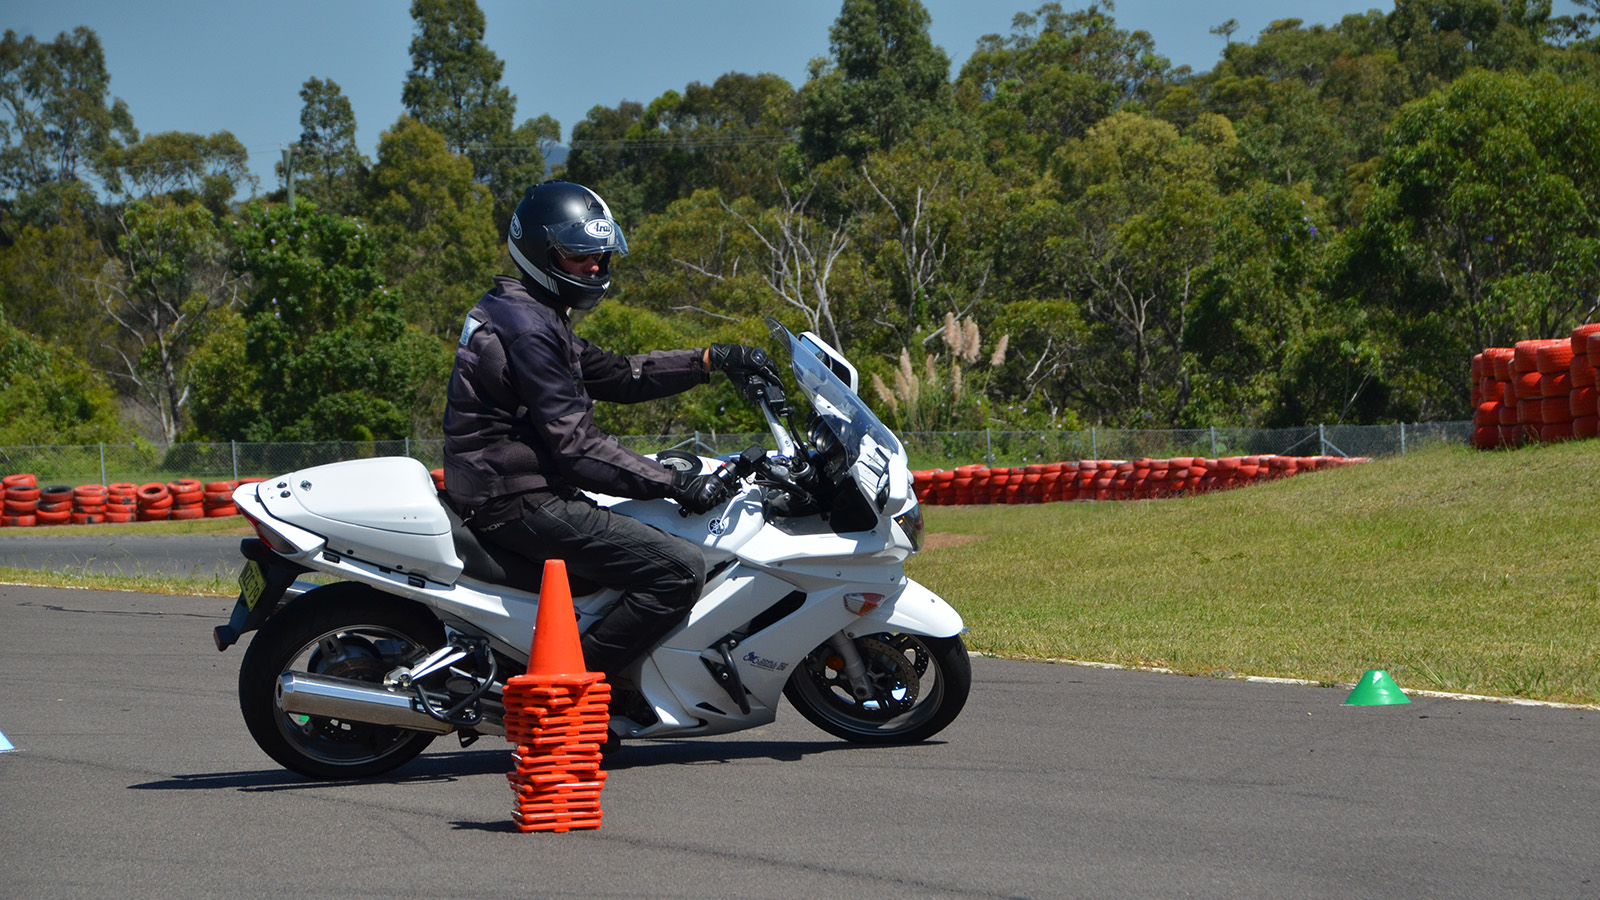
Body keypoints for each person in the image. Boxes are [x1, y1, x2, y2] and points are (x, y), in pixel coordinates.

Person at [440, 180, 779, 718]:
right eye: (579, 256)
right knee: (677, 569)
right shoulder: (530, 328)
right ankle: (566, 706)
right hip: (518, 498)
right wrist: (675, 483)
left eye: (599, 255)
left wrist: (710, 360)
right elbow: (576, 446)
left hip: (503, 487)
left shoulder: (525, 310)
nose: (595, 268)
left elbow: (620, 375)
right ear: (538, 251)